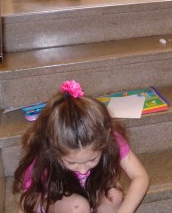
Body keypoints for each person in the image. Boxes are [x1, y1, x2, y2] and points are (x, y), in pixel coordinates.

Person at [13, 80, 150, 213]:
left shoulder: (110, 139)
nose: (83, 170)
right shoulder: (46, 155)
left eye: (91, 160)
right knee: (78, 207)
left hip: (89, 190)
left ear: (106, 138)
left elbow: (140, 176)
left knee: (114, 196)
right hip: (57, 197)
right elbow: (26, 203)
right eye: (71, 162)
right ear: (54, 148)